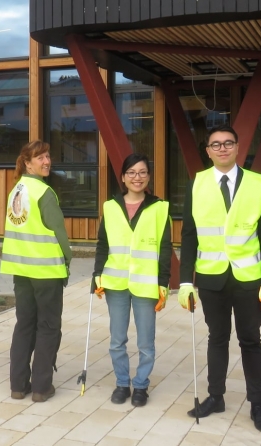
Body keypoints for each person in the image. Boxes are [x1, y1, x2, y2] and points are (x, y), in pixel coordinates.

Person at [177, 125, 261, 433]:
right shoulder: (196, 184)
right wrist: (185, 281)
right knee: (217, 339)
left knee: (251, 341)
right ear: (207, 151)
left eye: (228, 143)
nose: (222, 148)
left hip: (249, 279)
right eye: (215, 144)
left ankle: (257, 404)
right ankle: (216, 397)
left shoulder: (258, 183)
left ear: (238, 147)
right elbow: (189, 235)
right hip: (211, 279)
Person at [92, 154, 171, 407]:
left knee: (146, 342)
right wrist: (97, 274)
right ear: (124, 177)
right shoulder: (110, 207)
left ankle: (141, 386)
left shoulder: (160, 208)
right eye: (132, 173)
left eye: (142, 172)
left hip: (147, 284)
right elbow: (102, 244)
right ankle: (122, 383)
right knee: (117, 340)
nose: (137, 177)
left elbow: (166, 248)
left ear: (148, 176)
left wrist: (164, 282)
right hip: (115, 284)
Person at [1, 140, 71, 403]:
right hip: (46, 271)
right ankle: (42, 388)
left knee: (24, 325)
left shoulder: (15, 191)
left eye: (48, 156)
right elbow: (59, 232)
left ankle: (18, 386)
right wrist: (68, 258)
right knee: (48, 326)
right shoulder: (44, 192)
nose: (46, 161)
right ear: (27, 162)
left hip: (21, 271)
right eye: (40, 157)